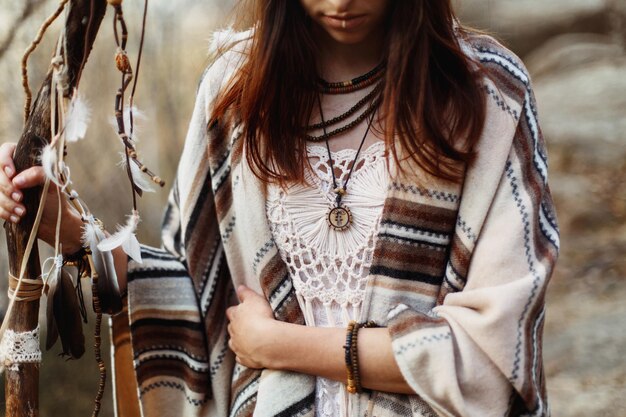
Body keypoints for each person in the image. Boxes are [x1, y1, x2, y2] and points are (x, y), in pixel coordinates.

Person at [0, 0, 559, 416]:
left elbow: (491, 360)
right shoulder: (238, 92)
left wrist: (284, 346)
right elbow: (201, 300)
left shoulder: (485, 93)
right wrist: (72, 233)